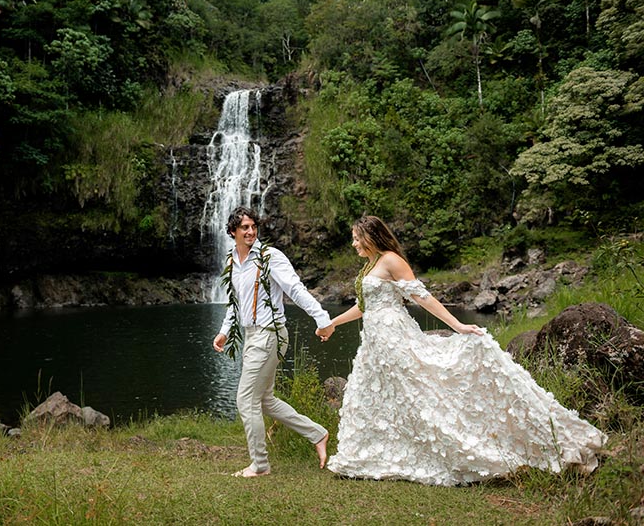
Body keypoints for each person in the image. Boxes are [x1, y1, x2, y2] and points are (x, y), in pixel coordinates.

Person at [317, 215, 607, 486]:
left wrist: (457, 324)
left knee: (418, 391)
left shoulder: (392, 260)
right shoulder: (371, 264)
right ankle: (381, 451)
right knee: (384, 396)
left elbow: (422, 297)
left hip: (394, 335)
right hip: (375, 340)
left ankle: (453, 448)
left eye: (357, 238)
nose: (354, 244)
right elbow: (364, 306)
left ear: (371, 237)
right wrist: (333, 323)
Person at [213, 206, 334, 478]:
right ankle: (317, 433)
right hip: (251, 335)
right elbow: (236, 303)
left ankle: (260, 465)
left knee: (245, 399)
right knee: (265, 400)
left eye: (253, 226)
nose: (251, 231)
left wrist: (322, 319)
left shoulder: (270, 257)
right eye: (244, 227)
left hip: (270, 334)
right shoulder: (232, 262)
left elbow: (295, 289)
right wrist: (224, 331)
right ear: (232, 231)